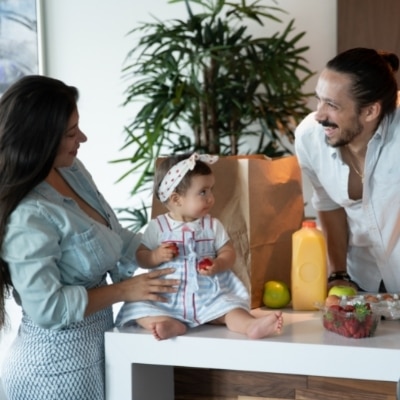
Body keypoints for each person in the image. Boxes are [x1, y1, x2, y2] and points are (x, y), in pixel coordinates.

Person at [0, 75, 179, 400]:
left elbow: (115, 235)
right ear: (38, 139)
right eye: (70, 133)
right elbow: (49, 308)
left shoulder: (70, 170)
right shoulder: (28, 214)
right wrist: (126, 289)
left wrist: (161, 250)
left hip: (91, 357)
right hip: (50, 375)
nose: (82, 137)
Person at [115, 153, 283, 340]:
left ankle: (250, 325)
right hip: (167, 295)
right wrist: (155, 256)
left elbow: (228, 252)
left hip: (208, 293)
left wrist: (218, 263)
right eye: (203, 192)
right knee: (138, 308)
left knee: (230, 308)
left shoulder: (211, 225)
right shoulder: (158, 226)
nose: (211, 197)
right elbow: (141, 256)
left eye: (211, 190)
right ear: (176, 199)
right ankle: (168, 323)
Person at [294, 47, 400, 293]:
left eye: (331, 105)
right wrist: (338, 274)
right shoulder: (309, 136)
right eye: (319, 99)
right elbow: (329, 205)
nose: (319, 115)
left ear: (370, 111)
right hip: (362, 280)